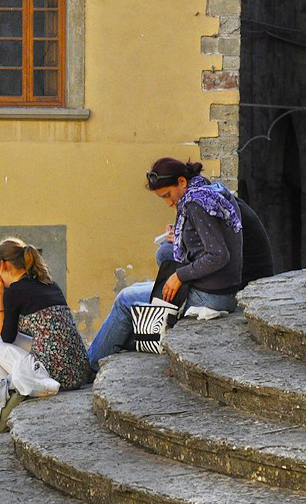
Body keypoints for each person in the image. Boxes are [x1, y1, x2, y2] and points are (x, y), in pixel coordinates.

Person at [88, 158, 271, 371]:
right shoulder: (206, 191)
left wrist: (180, 276)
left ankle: (90, 366)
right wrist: (182, 237)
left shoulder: (195, 204)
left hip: (214, 297)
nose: (167, 203)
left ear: (182, 182)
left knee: (125, 299)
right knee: (157, 266)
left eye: (167, 195)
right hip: (223, 287)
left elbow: (218, 255)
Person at [0, 237, 89, 391]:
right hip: (79, 372)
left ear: (4, 264)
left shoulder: (14, 291)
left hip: (54, 375)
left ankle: (3, 393)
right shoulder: (50, 284)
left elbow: (6, 337)